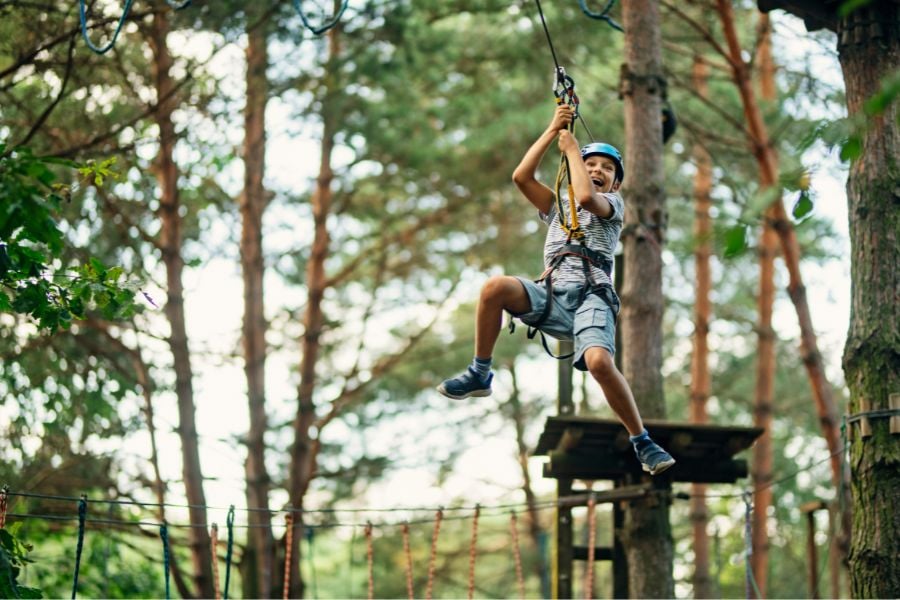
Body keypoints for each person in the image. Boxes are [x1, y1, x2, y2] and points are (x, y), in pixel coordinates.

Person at [437, 104, 675, 476]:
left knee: (598, 362)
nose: (597, 170)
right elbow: (521, 177)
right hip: (551, 293)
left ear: (616, 184)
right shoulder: (558, 207)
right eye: (591, 164)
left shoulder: (612, 204)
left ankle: (641, 440)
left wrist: (572, 152)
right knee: (494, 288)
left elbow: (584, 198)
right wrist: (553, 129)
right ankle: (480, 372)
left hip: (592, 298)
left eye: (606, 169)